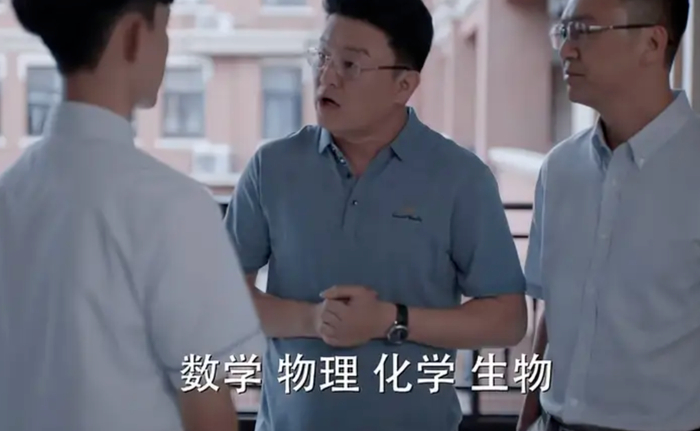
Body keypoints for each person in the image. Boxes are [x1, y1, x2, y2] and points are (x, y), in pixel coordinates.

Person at [226, 0, 527, 430]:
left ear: (403, 85)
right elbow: (221, 298)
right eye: (323, 56)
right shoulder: (272, 167)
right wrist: (312, 320)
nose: (327, 76)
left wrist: (391, 320)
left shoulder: (460, 177)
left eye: (350, 65)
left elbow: (508, 319)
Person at [0, 1, 262, 431]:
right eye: (165, 28)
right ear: (135, 36)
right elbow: (208, 412)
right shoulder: (173, 206)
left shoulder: (10, 195)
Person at [518, 0, 700, 430]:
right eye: (563, 31)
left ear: (652, 42)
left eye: (583, 30)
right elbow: (552, 318)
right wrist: (527, 418)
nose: (565, 49)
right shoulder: (560, 168)